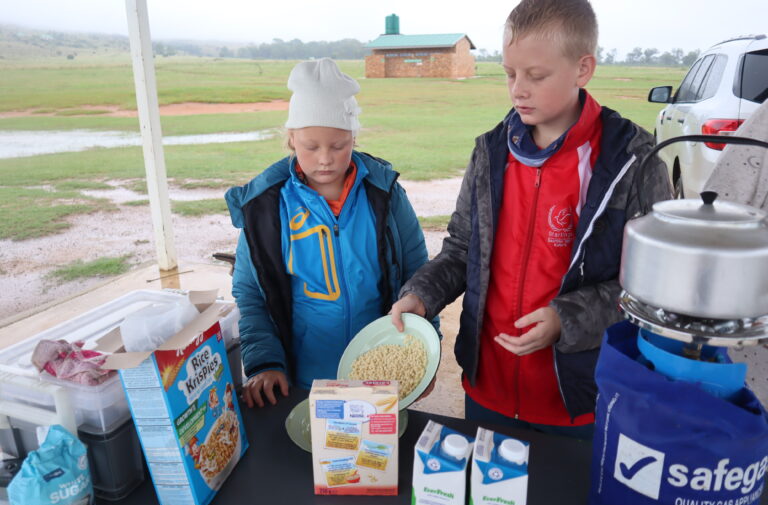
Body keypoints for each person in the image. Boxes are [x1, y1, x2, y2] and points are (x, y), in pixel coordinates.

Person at [390, 0, 672, 439]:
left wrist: (566, 317)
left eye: (536, 76)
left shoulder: (634, 162)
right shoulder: (489, 152)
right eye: (509, 73)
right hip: (488, 391)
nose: (518, 89)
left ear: (583, 69)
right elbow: (463, 250)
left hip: (580, 404)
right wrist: (421, 295)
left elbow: (654, 290)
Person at [226, 58, 432, 408]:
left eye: (338, 146)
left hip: (380, 374)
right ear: (291, 139)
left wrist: (425, 350)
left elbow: (419, 274)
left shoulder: (384, 195)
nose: (325, 159)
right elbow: (250, 291)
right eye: (311, 146)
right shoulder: (266, 208)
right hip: (306, 381)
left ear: (353, 137)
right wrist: (265, 362)